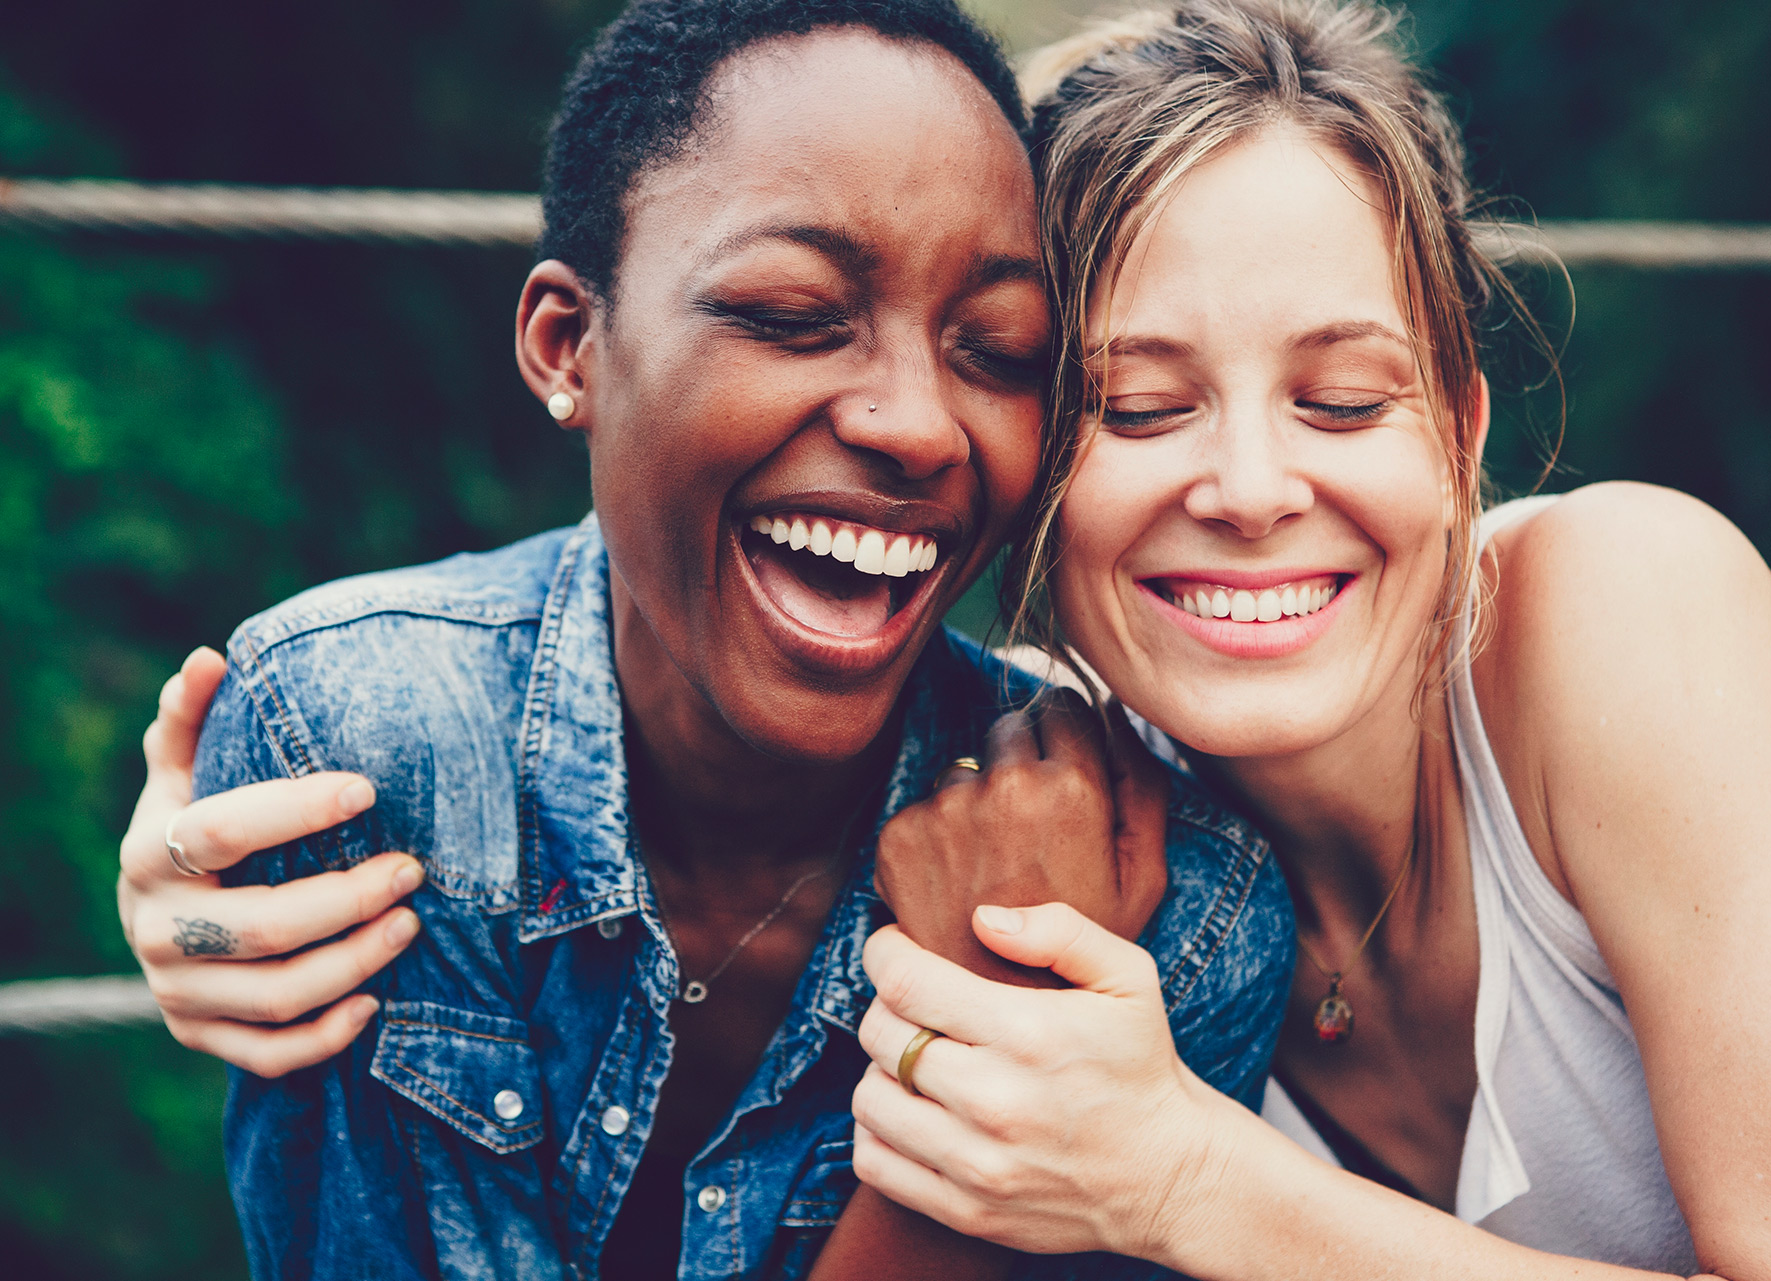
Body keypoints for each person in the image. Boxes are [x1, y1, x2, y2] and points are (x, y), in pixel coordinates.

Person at [114, 2, 1298, 1278]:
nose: (917, 424)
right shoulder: (361, 750)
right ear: (568, 347)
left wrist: (1009, 1018)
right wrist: (977, 1066)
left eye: (995, 349)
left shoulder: (1171, 918)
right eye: (794, 314)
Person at [843, 2, 1771, 1277]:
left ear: (1459, 434)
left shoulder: (1627, 602)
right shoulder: (1057, 812)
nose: (1250, 489)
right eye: (1137, 409)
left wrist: (1187, 1180)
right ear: (1029, 476)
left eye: (1342, 402)